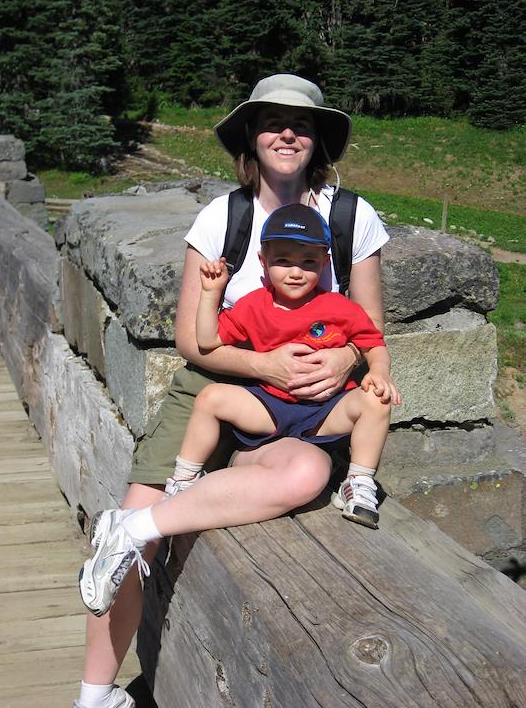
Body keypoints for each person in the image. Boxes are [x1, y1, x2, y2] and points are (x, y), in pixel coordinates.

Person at [74, 73, 390, 708]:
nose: (286, 134)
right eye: (272, 122)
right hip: (215, 390)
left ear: (318, 140)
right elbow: (192, 342)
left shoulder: (351, 216)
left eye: (301, 125)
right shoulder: (224, 216)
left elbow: (370, 327)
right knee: (134, 547)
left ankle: (132, 527)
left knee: (303, 475)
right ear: (251, 135)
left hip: (310, 402)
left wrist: (346, 358)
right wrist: (265, 366)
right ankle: (95, 695)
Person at [78, 204, 400, 616]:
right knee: (211, 398)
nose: (296, 272)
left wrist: (379, 373)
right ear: (263, 263)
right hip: (270, 404)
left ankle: (359, 481)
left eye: (308, 262)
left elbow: (373, 341)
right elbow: (207, 341)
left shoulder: (339, 307)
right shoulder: (253, 305)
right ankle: (183, 480)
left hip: (324, 411)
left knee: (376, 400)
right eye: (283, 261)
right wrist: (211, 294)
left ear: (325, 263)